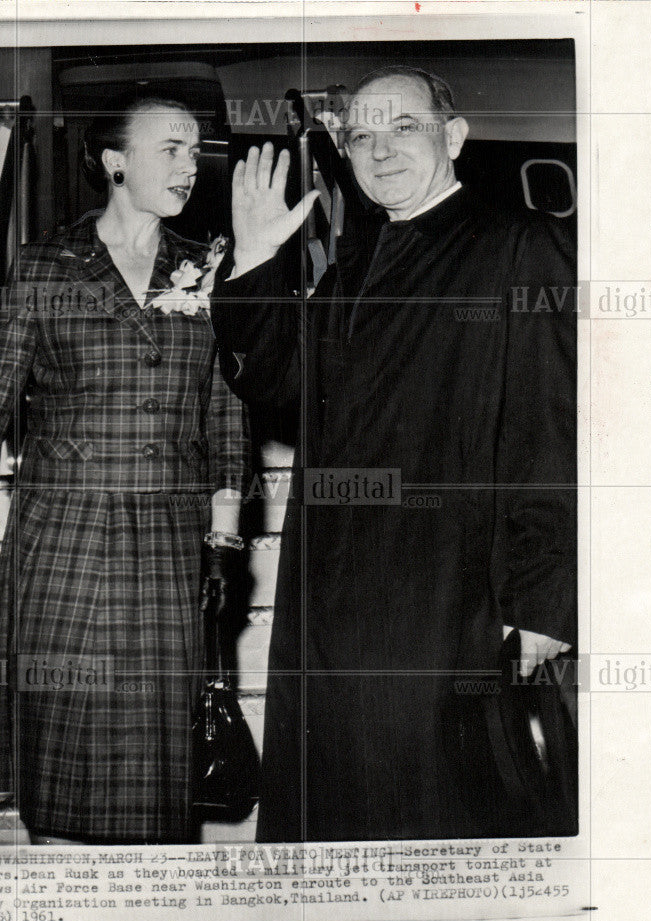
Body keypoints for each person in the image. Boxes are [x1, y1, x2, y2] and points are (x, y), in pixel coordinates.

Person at [211, 66, 576, 842]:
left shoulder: (520, 245)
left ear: (453, 137)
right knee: (332, 812)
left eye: (402, 128)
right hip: (329, 599)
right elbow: (278, 392)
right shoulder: (355, 265)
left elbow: (551, 428)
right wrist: (254, 266)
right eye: (360, 136)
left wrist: (540, 602)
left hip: (448, 595)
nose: (378, 152)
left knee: (438, 811)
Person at [0, 91, 249, 845]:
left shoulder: (205, 266)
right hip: (63, 524)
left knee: (156, 750)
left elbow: (226, 406)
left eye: (194, 151)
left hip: (168, 531)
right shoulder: (46, 264)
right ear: (113, 162)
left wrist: (223, 536)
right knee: (65, 744)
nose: (189, 166)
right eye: (170, 149)